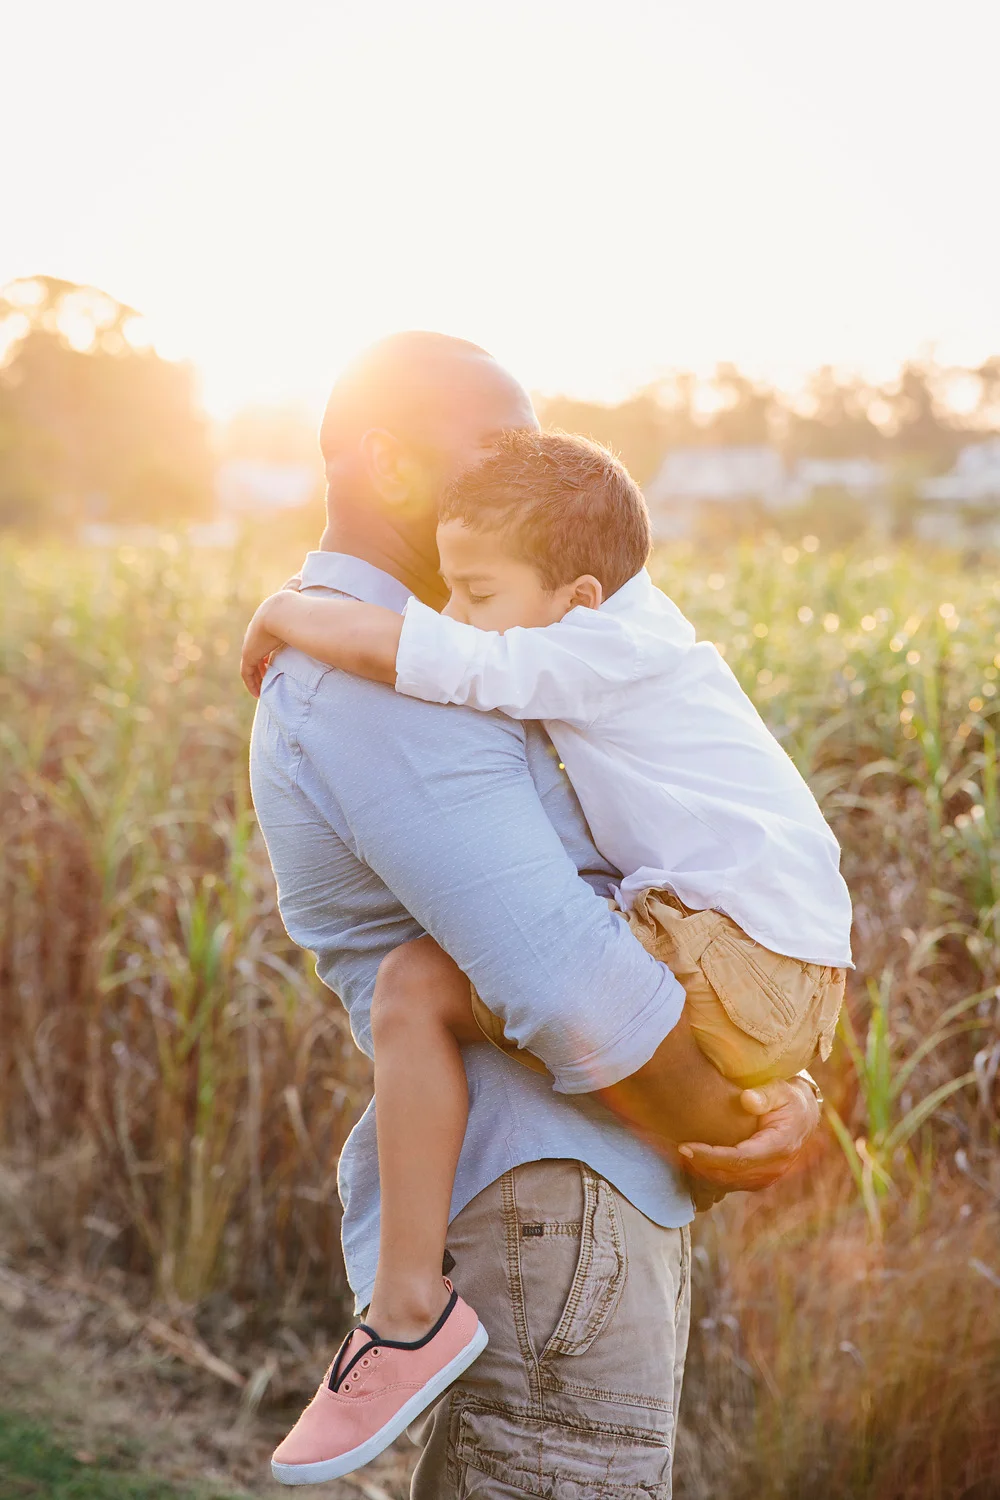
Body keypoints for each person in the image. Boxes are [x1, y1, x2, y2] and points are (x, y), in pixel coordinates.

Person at [247, 332, 824, 1497]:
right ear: (390, 465)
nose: (530, 474)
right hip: (552, 1206)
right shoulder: (379, 678)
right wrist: (728, 1134)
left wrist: (773, 1072)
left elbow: (649, 905)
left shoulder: (498, 651)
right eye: (499, 448)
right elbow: (571, 983)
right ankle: (401, 1318)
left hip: (584, 1203)